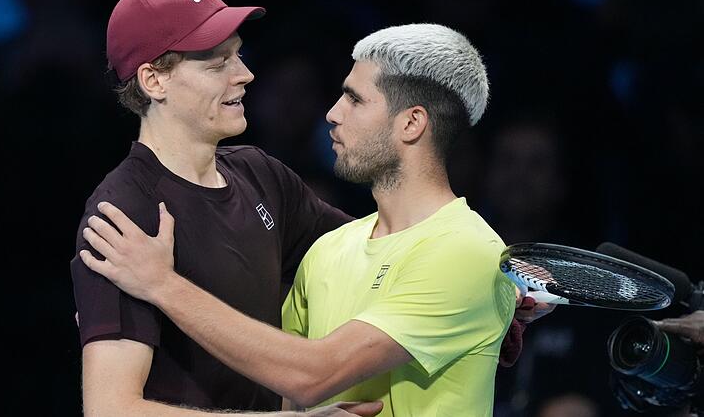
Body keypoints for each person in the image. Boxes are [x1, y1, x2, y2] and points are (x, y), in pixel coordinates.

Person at [80, 23, 525, 416]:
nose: (332, 113)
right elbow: (282, 382)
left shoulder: (467, 251)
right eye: (218, 62)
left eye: (354, 99)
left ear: (411, 124)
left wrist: (162, 285)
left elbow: (311, 375)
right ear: (152, 80)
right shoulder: (329, 248)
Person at [70, 0, 382, 417]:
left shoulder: (260, 174)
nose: (244, 74)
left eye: (238, 54)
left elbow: (374, 250)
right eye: (218, 64)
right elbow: (111, 409)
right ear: (154, 80)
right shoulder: (124, 213)